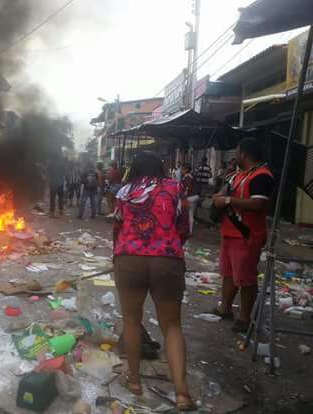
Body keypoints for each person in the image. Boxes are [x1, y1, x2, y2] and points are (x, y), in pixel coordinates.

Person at [113, 151, 195, 411]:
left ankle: (134, 381)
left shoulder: (124, 191)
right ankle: (182, 394)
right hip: (167, 261)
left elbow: (116, 227)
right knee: (172, 325)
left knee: (131, 320)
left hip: (129, 260)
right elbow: (185, 228)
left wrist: (120, 253)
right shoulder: (175, 188)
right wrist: (171, 247)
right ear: (161, 167)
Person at [212, 138, 274, 333]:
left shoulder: (262, 176)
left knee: (246, 278)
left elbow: (259, 204)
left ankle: (245, 317)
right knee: (228, 274)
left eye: (237, 152)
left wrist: (229, 199)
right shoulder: (237, 175)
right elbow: (222, 194)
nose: (235, 156)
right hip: (229, 233)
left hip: (247, 235)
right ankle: (225, 307)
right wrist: (219, 198)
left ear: (243, 154)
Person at [181, 163, 199, 235]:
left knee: (186, 214)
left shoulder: (187, 177)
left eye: (183, 169)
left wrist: (184, 196)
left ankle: (187, 230)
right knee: (191, 214)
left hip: (190, 197)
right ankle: (190, 231)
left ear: (186, 170)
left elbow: (188, 188)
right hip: (195, 197)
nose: (182, 170)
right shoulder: (191, 176)